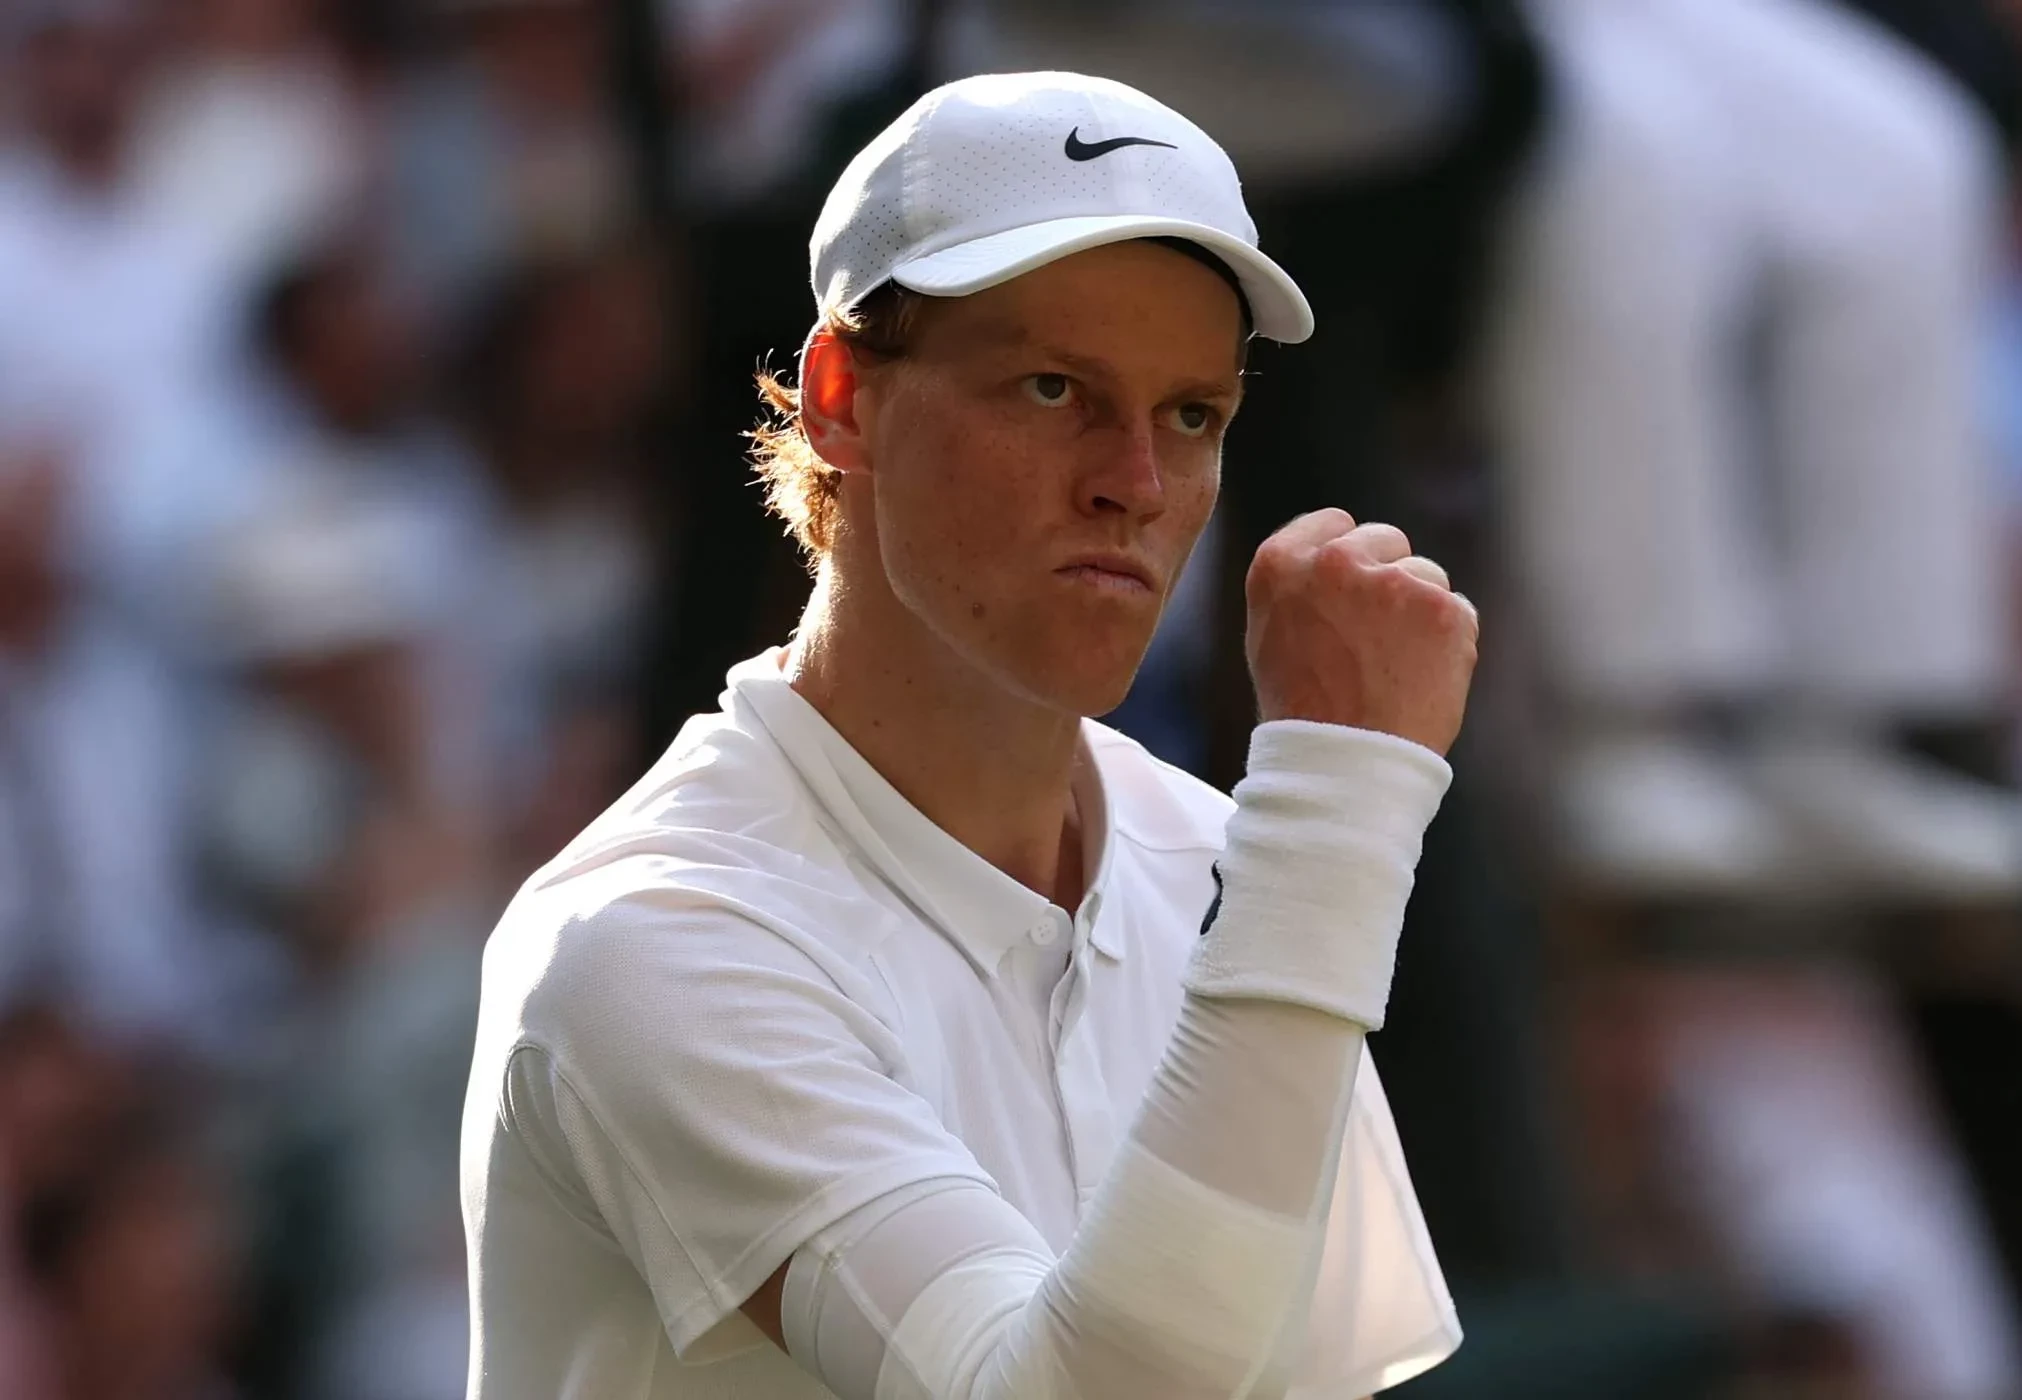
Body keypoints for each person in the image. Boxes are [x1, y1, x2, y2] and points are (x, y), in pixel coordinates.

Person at [463, 72, 1479, 1399]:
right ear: (841, 399)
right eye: (1053, 389)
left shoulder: (1229, 862)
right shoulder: (650, 943)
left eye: (1192, 414)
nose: (1135, 482)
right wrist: (1341, 806)